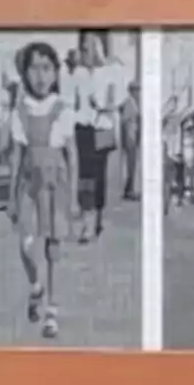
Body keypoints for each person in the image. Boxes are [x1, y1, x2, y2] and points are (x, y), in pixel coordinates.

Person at [8, 40, 77, 340]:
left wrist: (73, 198)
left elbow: (72, 155)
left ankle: (52, 311)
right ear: (25, 73)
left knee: (53, 248)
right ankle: (36, 285)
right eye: (34, 68)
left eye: (47, 68)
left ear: (55, 73)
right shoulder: (20, 110)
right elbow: (15, 156)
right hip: (29, 183)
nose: (40, 75)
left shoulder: (62, 109)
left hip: (55, 183)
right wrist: (11, 195)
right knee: (26, 244)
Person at [68, 30, 119, 242]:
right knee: (85, 177)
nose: (87, 51)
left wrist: (102, 103)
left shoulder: (110, 71)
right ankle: (88, 222)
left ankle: (97, 217)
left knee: (100, 175)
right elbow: (71, 101)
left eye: (91, 46)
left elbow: (113, 100)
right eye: (84, 47)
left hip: (103, 127)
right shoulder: (78, 74)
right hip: (84, 127)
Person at [119, 77, 141, 201]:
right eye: (136, 90)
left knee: (132, 165)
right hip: (130, 136)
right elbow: (125, 122)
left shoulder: (133, 103)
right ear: (131, 91)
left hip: (132, 135)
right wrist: (129, 139)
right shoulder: (130, 103)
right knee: (130, 165)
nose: (138, 93)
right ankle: (129, 190)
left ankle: (130, 189)